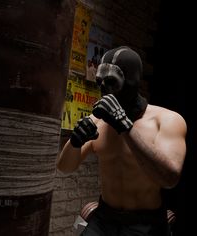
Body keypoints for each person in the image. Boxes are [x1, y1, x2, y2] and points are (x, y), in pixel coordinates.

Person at [57, 46, 187, 235]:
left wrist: (125, 126)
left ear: (131, 81)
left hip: (146, 222)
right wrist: (75, 141)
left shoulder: (167, 120)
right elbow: (65, 168)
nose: (103, 88)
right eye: (100, 81)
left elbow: (169, 179)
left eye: (111, 81)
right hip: (104, 218)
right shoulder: (97, 121)